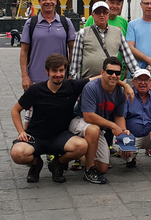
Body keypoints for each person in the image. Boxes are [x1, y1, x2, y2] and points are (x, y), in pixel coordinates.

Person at [9, 54, 93, 183]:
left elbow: (97, 79)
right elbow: (15, 110)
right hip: (36, 136)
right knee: (17, 154)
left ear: (65, 71)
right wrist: (21, 132)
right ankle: (35, 163)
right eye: (54, 71)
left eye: (61, 70)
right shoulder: (35, 90)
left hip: (60, 136)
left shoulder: (72, 87)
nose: (58, 74)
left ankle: (57, 163)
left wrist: (124, 84)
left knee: (81, 146)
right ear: (47, 71)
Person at [69, 57, 132, 184]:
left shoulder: (119, 93)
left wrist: (124, 135)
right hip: (79, 120)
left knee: (102, 167)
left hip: (97, 128)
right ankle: (89, 170)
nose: (113, 75)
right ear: (102, 72)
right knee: (94, 129)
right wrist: (112, 125)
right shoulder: (91, 87)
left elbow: (119, 116)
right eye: (110, 72)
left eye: (117, 73)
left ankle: (81, 151)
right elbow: (88, 116)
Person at [20, 0, 75, 90]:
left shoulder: (66, 23)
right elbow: (24, 52)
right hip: (35, 78)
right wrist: (25, 76)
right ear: (39, 2)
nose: (48, 2)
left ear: (55, 1)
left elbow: (73, 50)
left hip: (60, 78)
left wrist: (71, 73)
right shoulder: (31, 24)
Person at [69, 1, 138, 80]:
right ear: (93, 15)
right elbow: (76, 62)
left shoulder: (118, 32)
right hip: (89, 82)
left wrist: (139, 75)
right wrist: (76, 84)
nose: (102, 15)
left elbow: (128, 57)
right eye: (98, 12)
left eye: (105, 12)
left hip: (112, 80)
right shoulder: (83, 33)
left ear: (108, 14)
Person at [85, 0, 128, 79]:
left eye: (118, 4)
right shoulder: (92, 19)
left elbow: (126, 48)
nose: (115, 6)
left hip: (115, 73)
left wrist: (125, 67)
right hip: (92, 74)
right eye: (112, 3)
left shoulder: (123, 22)